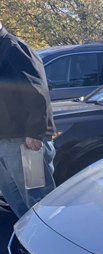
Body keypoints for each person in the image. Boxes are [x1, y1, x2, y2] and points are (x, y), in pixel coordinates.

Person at [0, 20, 55, 216]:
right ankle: (26, 242)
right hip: (4, 139)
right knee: (16, 200)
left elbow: (37, 90)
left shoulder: (13, 47)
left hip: (25, 140)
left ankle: (49, 244)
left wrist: (35, 132)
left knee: (39, 199)